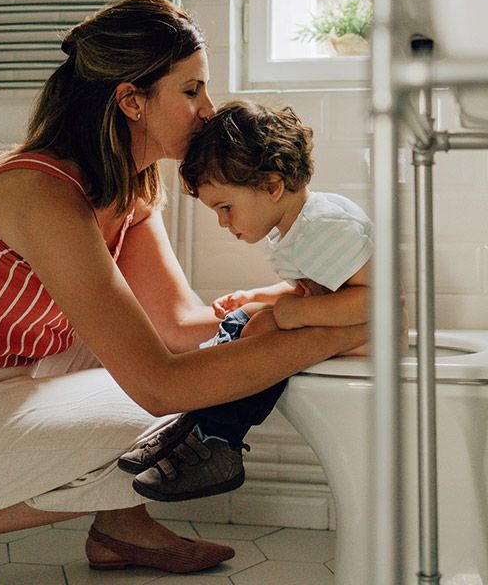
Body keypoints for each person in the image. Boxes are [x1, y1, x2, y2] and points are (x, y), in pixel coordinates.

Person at [0, 0, 368, 585]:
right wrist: (339, 330)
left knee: (192, 364)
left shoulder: (128, 190)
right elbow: (160, 386)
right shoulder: (39, 192)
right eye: (191, 91)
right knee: (186, 403)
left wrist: (310, 303)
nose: (208, 111)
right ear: (131, 99)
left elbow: (179, 327)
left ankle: (121, 527)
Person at [116, 99, 373, 503]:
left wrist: (297, 311)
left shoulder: (326, 226)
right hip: (341, 324)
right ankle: (198, 421)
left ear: (272, 186)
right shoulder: (299, 226)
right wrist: (262, 296)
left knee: (263, 328)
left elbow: (378, 303)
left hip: (371, 335)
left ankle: (220, 441)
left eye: (226, 207)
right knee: (240, 319)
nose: (223, 221)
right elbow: (318, 286)